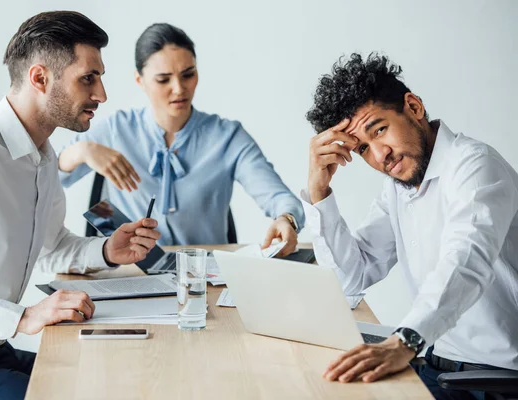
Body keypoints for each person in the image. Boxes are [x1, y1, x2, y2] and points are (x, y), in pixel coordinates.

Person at [0, 11, 160, 400]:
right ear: (39, 78)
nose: (101, 94)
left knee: (113, 379)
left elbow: (52, 248)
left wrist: (106, 250)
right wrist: (22, 317)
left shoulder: (42, 158)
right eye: (88, 78)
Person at [303, 53, 518, 399]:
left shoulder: (475, 167)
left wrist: (405, 340)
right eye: (363, 150)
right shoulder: (399, 188)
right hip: (436, 365)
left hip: (497, 380)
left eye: (380, 130)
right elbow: (351, 279)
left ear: (414, 107)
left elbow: (465, 262)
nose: (379, 155)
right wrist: (319, 193)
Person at [58, 23, 304, 256]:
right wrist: (83, 150)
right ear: (139, 80)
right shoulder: (116, 129)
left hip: (205, 276)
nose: (179, 88)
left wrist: (286, 219)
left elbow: (279, 198)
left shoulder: (227, 136)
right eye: (163, 79)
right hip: (130, 274)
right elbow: (51, 178)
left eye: (188, 75)